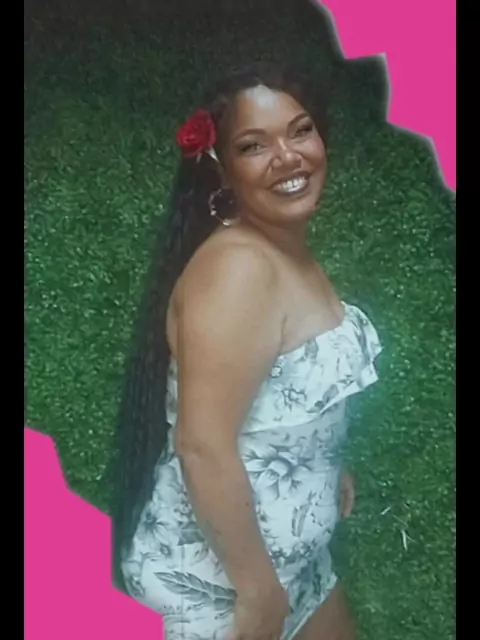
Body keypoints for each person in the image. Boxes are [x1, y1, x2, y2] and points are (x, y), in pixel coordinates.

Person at [113, 62, 382, 640]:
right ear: (222, 168)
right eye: (254, 145)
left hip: (296, 569)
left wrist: (319, 462)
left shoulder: (282, 249)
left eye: (300, 131)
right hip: (222, 592)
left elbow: (283, 391)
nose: (288, 157)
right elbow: (201, 445)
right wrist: (259, 595)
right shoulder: (237, 271)